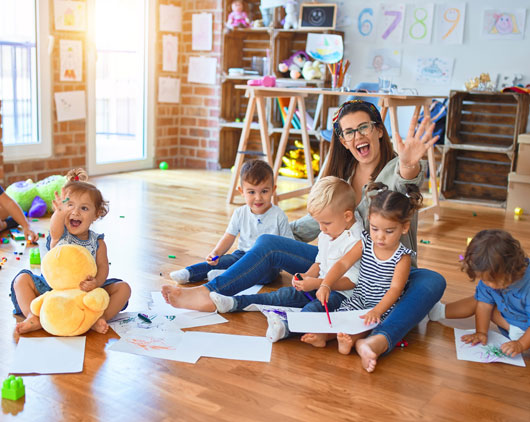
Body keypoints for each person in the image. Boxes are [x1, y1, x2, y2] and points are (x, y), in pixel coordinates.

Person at [161, 100, 446, 372]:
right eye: (349, 131)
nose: (357, 135)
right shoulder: (343, 179)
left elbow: (407, 179)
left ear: (378, 131)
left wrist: (409, 163)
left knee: (433, 281)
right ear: (344, 141)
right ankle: (212, 293)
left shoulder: (395, 172)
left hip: (391, 273)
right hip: (344, 265)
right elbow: (312, 224)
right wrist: (275, 232)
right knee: (268, 243)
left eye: (364, 127)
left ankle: (378, 340)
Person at [209, 176, 363, 342]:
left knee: (313, 310)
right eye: (318, 223)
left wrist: (318, 283)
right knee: (282, 295)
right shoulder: (329, 231)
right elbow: (319, 262)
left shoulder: (356, 240)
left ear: (347, 216)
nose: (321, 229)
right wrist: (307, 276)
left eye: (325, 223)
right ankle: (236, 302)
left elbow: (351, 282)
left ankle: (286, 327)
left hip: (341, 295)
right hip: (318, 285)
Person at [11, 168, 131, 334]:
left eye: (84, 208)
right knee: (21, 279)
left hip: (85, 291)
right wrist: (59, 213)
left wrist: (96, 282)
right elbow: (54, 228)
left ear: (96, 214)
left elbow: (103, 267)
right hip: (53, 289)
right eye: (70, 206)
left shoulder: (98, 242)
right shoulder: (59, 235)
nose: (75, 212)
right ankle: (35, 317)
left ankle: (98, 318)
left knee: (124, 288)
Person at [315, 183, 422, 368]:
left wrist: (377, 311)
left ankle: (352, 342)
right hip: (359, 299)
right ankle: (324, 337)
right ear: (369, 221)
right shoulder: (365, 242)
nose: (380, 237)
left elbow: (395, 289)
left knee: (366, 327)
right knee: (340, 319)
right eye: (374, 228)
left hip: (382, 307)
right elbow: (343, 263)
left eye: (389, 231)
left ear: (404, 227)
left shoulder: (402, 257)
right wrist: (326, 284)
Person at [169, 159, 293, 285]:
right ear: (241, 191)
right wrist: (216, 252)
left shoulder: (278, 215)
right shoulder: (240, 213)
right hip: (242, 255)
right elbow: (229, 237)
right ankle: (189, 273)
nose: (258, 197)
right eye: (251, 192)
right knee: (222, 261)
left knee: (267, 275)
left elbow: (289, 245)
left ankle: (225, 275)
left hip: (268, 262)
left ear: (273, 189)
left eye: (264, 191)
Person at [430, 229, 530, 357]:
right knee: (479, 300)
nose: (491, 285)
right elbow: (483, 305)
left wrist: (521, 344)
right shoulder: (491, 276)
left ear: (512, 268)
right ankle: (438, 311)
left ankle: (519, 334)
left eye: (496, 281)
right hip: (511, 319)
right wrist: (481, 333)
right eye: (485, 280)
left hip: (526, 327)